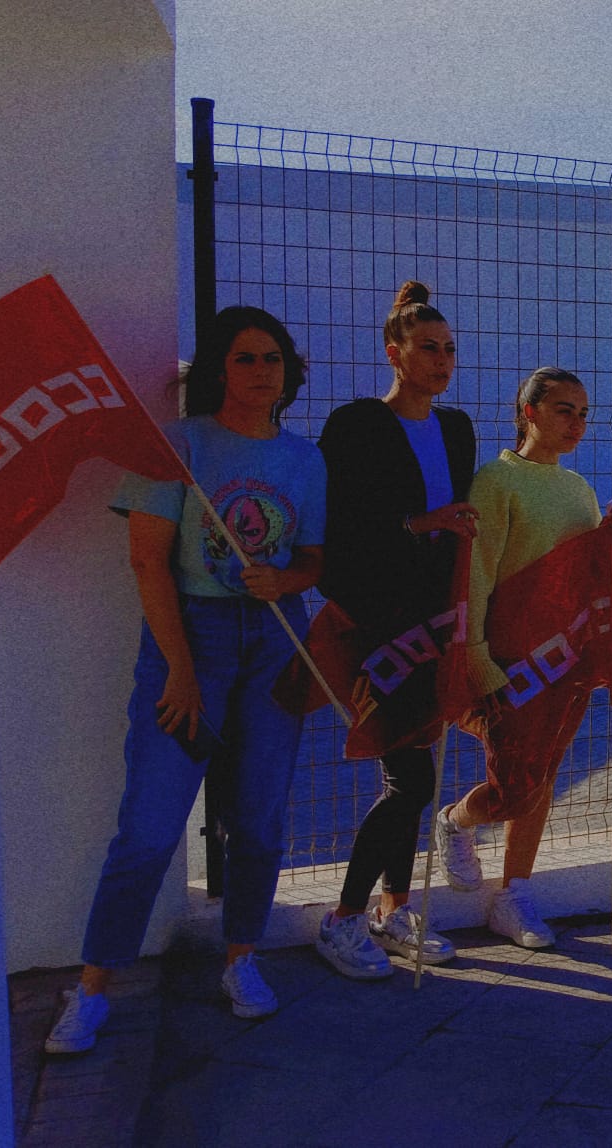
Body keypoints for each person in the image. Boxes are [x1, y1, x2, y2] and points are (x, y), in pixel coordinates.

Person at [47, 307, 326, 1055]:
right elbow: (148, 561)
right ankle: (93, 988)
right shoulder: (177, 445)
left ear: (289, 372)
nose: (261, 371)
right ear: (218, 370)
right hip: (190, 638)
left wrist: (284, 579)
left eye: (272, 358)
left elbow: (313, 561)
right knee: (148, 829)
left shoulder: (305, 459)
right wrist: (180, 670)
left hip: (274, 641)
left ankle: (242, 960)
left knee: (259, 818)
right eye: (244, 358)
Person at [311, 281, 479, 980]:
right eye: (427, 347)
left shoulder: (456, 429)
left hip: (433, 620)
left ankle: (393, 909)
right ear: (393, 352)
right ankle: (343, 918)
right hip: (374, 621)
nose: (441, 361)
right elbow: (338, 527)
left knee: (415, 768)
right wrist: (420, 524)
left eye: (449, 349)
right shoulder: (356, 426)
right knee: (410, 779)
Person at [432, 368, 610, 947]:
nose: (576, 423)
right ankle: (455, 821)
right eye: (563, 410)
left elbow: (590, 575)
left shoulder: (579, 489)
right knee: (514, 787)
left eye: (582, 413)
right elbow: (476, 572)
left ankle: (514, 895)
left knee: (544, 778)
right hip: (511, 661)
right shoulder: (496, 480)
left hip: (565, 660)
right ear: (529, 412)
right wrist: (476, 655)